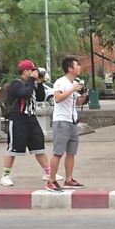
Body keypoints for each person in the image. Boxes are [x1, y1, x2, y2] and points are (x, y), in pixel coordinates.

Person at [0, 59, 64, 186]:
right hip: (18, 119)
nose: (34, 72)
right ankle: (5, 176)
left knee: (38, 146)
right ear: (26, 71)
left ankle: (48, 172)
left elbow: (40, 97)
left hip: (31, 118)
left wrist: (39, 83)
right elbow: (26, 93)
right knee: (13, 148)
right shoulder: (16, 84)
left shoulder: (31, 83)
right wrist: (31, 81)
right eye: (32, 70)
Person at [45, 57, 87, 192]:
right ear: (70, 68)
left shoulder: (74, 82)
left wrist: (83, 94)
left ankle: (68, 179)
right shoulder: (61, 82)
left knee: (71, 153)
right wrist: (73, 89)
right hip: (61, 121)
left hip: (72, 121)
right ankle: (51, 181)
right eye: (77, 65)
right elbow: (57, 99)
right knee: (58, 153)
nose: (79, 67)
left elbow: (78, 103)